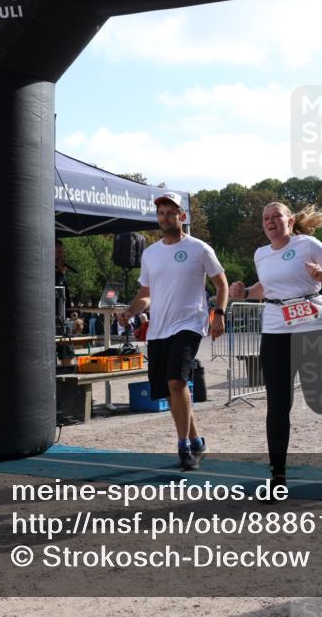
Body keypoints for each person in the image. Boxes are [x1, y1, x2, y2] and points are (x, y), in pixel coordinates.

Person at [229, 203, 322, 491]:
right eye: (266, 218)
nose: (270, 221)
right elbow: (267, 287)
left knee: (317, 400)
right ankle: (278, 477)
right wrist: (245, 292)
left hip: (313, 327)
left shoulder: (306, 244)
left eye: (277, 216)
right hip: (276, 329)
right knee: (278, 405)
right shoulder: (261, 254)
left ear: (290, 220)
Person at [122, 191, 228, 471]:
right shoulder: (150, 254)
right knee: (171, 391)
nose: (165, 218)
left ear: (182, 216)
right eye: (161, 213)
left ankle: (183, 447)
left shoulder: (199, 248)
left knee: (176, 381)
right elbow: (146, 294)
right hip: (159, 329)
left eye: (171, 213)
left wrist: (219, 314)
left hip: (190, 323)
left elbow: (221, 283)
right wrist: (130, 312)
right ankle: (197, 441)